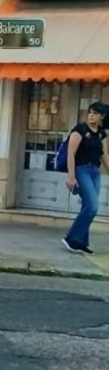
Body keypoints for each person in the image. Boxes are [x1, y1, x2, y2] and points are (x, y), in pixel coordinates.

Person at [62, 101, 109, 255]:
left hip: (95, 171)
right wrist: (71, 176)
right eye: (90, 112)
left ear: (102, 116)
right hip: (81, 170)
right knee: (93, 205)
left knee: (88, 206)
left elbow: (105, 155)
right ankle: (71, 238)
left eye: (95, 113)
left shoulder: (102, 134)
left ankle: (81, 242)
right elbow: (71, 154)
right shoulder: (80, 130)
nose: (91, 115)